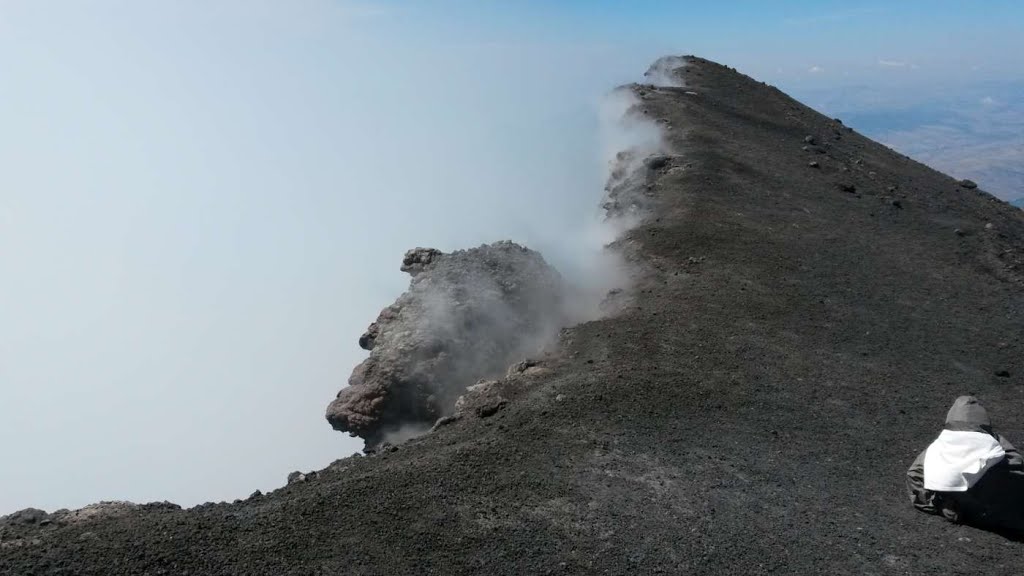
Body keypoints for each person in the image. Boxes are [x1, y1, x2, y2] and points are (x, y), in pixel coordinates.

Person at [907, 396, 1024, 534]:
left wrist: (938, 504)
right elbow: (1018, 465)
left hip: (962, 510)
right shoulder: (994, 445)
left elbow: (914, 474)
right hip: (1004, 517)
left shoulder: (941, 445)